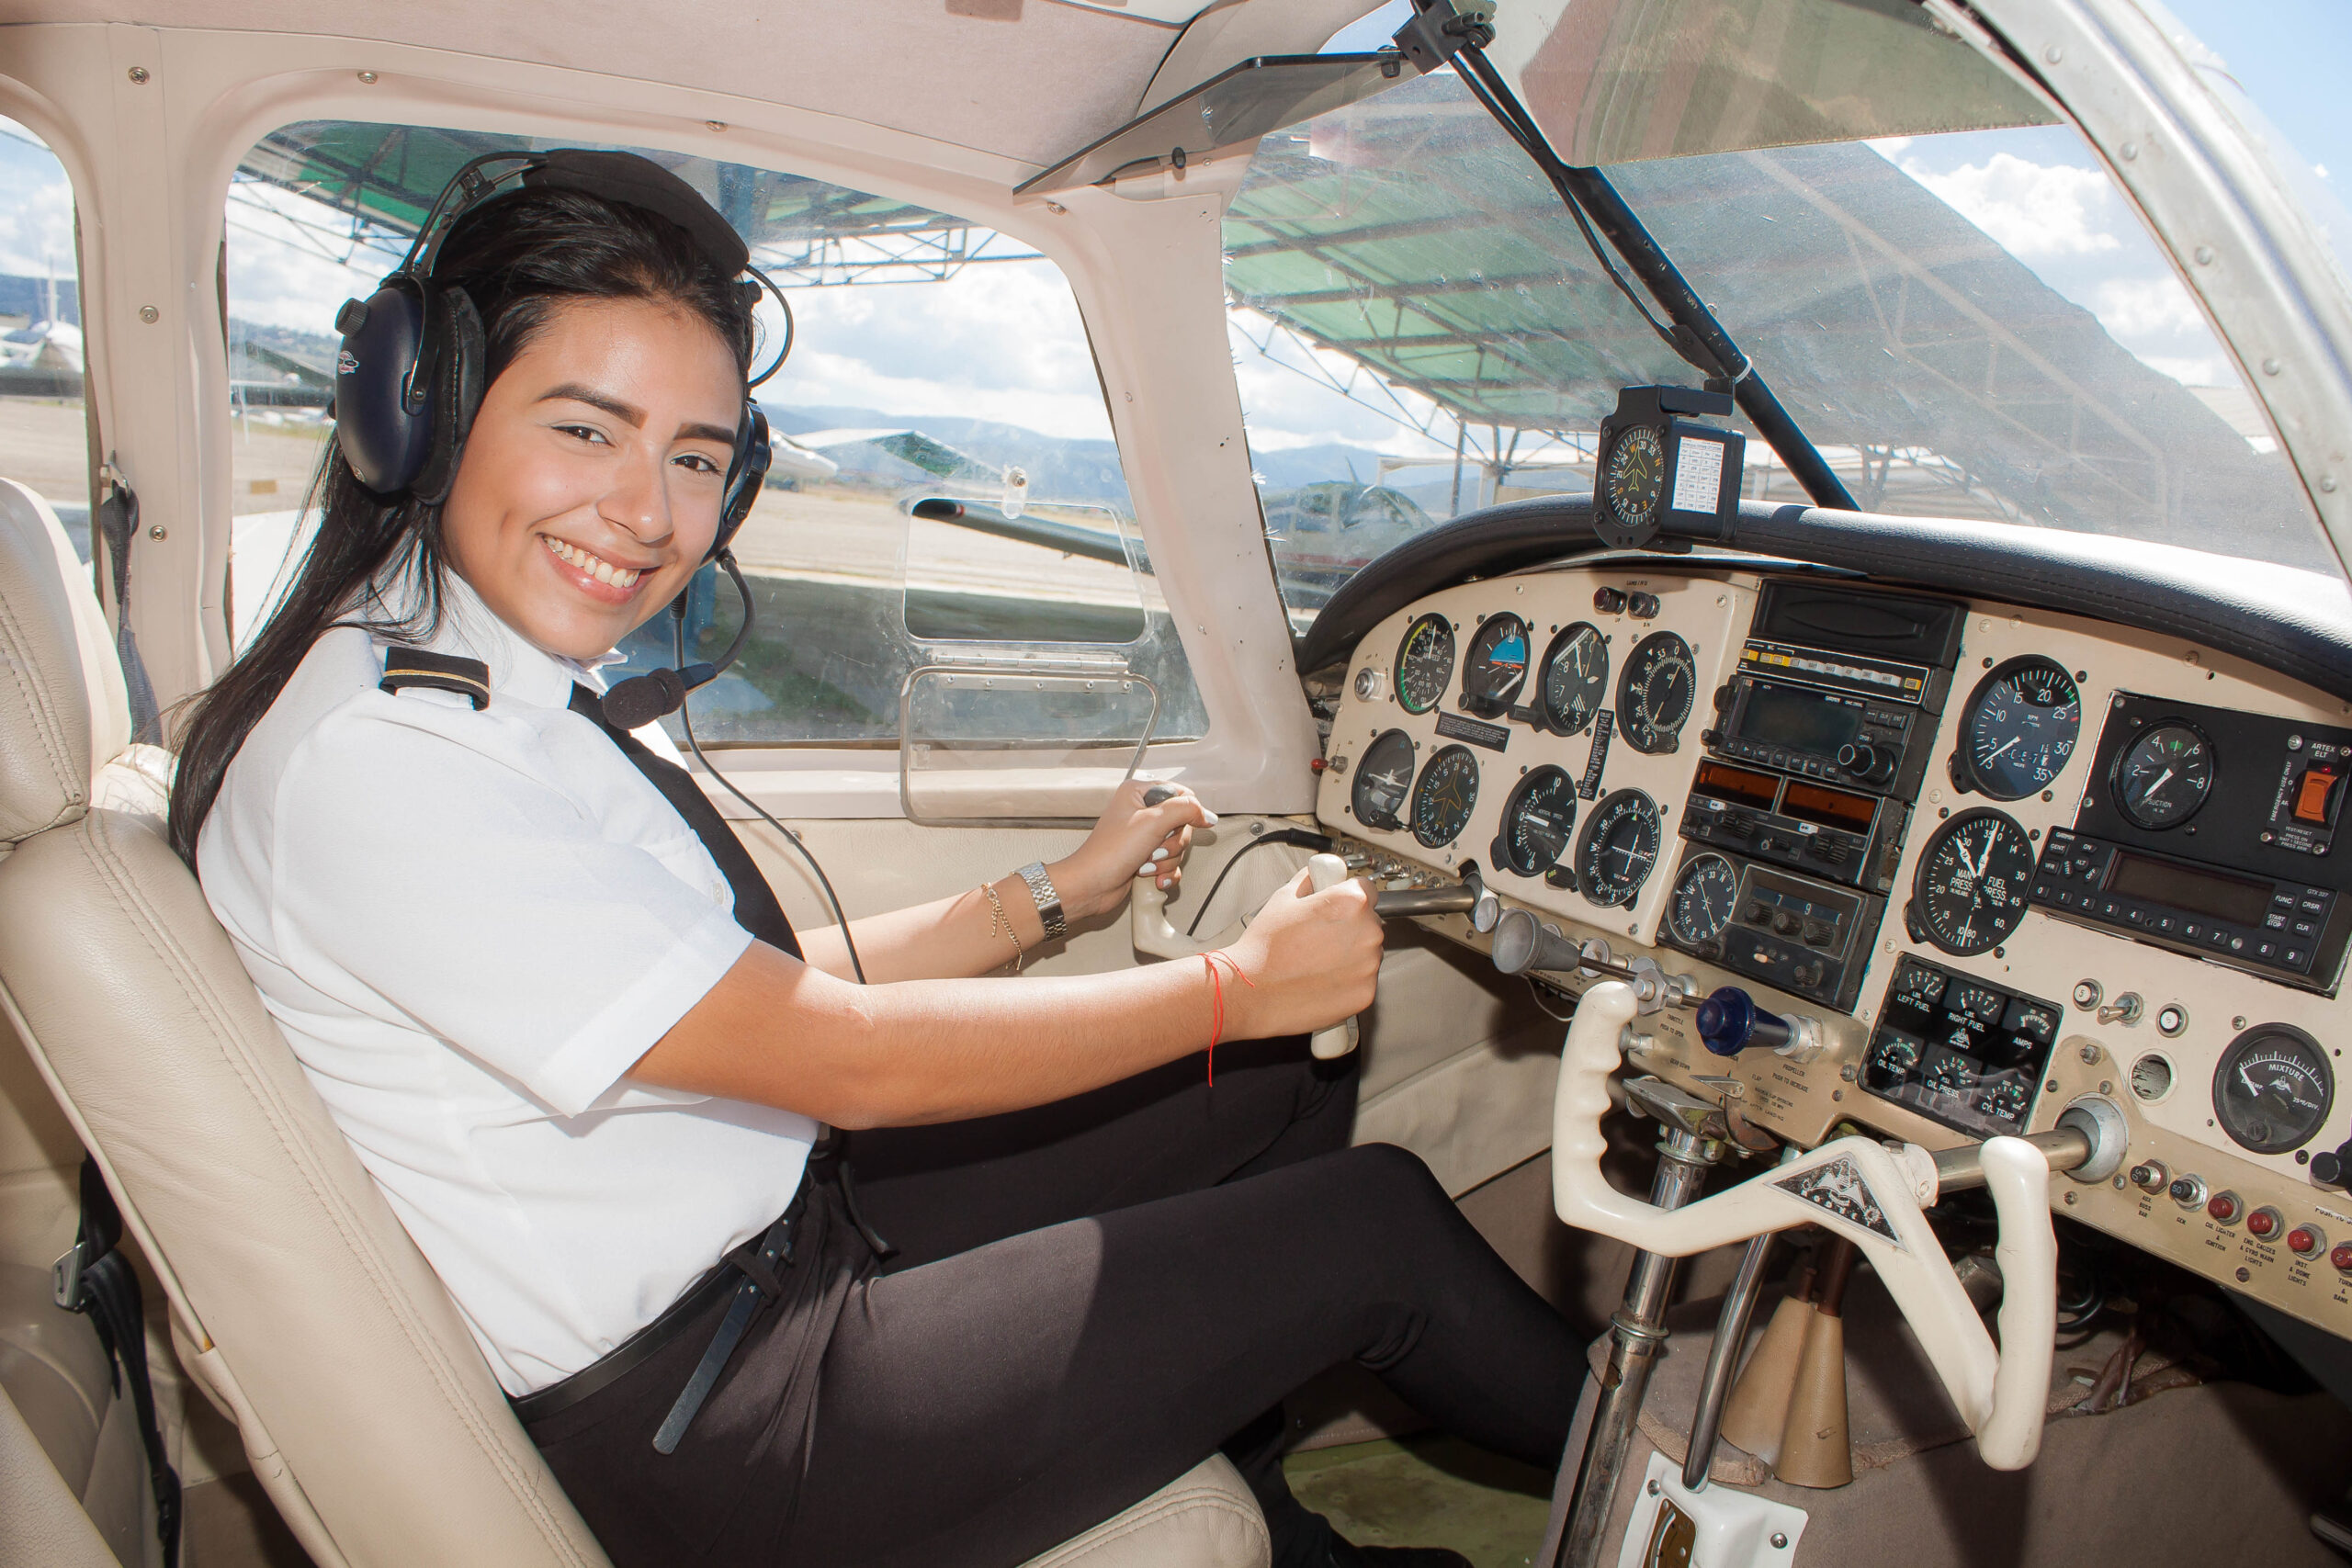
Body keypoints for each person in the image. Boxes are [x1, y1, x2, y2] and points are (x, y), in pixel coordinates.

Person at [172, 151, 1583, 1568]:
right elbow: (835, 1056)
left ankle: (1233, 1490)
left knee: (1273, 1084)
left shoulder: (459, 677)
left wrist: (1053, 897)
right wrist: (1236, 985)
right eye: (587, 430)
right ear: (424, 409)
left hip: (778, 1244)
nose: (651, 515)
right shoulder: (388, 759)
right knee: (1371, 1229)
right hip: (728, 1424)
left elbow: (742, 989)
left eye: (695, 459)